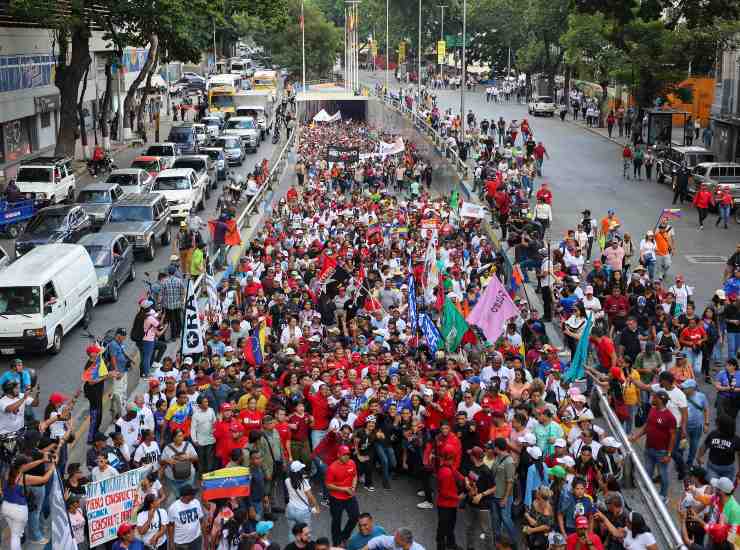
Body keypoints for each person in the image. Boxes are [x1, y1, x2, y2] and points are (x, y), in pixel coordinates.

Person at [2, 453, 56, 549]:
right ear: (22, 466)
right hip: (18, 510)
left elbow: (25, 467)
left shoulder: (7, 472)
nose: (28, 465)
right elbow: (44, 479)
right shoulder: (24, 478)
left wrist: (42, 460)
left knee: (14, 534)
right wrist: (52, 468)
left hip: (5, 507)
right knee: (16, 536)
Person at [629, 391, 676, 500]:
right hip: (649, 448)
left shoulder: (670, 417)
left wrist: (669, 454)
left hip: (661, 452)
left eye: (654, 397)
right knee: (647, 472)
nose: (652, 399)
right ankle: (647, 493)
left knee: (663, 474)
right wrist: (636, 436)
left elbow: (673, 436)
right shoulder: (652, 410)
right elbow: (646, 426)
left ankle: (664, 496)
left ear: (660, 399)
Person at [325, 444, 359, 546]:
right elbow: (328, 485)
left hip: (350, 496)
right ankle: (336, 543)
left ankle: (344, 537)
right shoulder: (332, 468)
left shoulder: (352, 463)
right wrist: (343, 489)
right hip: (336, 499)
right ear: (338, 455)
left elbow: (355, 475)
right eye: (344, 455)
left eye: (348, 454)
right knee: (336, 521)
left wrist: (353, 487)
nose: (347, 456)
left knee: (355, 516)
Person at [286, 460, 320, 537]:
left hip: (290, 509)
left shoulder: (287, 481)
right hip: (302, 511)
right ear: (299, 472)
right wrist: (317, 508)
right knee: (306, 532)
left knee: (293, 531)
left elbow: (293, 479)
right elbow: (311, 497)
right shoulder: (304, 482)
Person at [167, 484, 207, 550]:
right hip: (181, 543)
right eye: (192, 494)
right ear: (186, 496)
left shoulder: (196, 502)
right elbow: (170, 526)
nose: (194, 495)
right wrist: (171, 543)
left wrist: (205, 539)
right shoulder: (173, 508)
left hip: (196, 540)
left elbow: (202, 521)